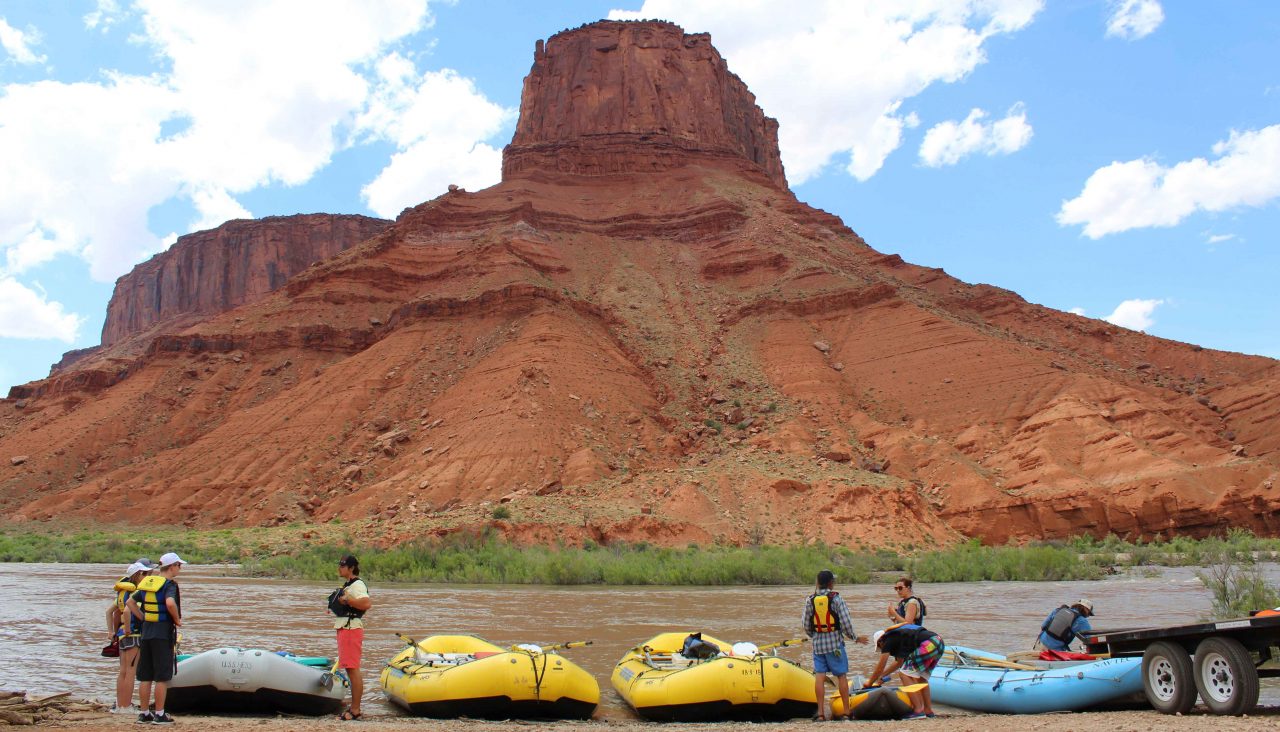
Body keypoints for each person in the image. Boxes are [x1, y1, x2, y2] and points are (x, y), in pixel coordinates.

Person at [126, 552, 185, 725]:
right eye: (179, 566)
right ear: (172, 566)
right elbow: (170, 603)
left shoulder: (147, 583)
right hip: (162, 634)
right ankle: (159, 714)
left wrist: (142, 617)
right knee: (161, 677)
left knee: (145, 676)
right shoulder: (169, 585)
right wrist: (177, 620)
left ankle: (144, 713)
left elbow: (130, 602)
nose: (180, 569)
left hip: (146, 633)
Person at [802, 569, 867, 721]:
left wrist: (815, 636)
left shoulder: (810, 600)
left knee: (820, 676)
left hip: (818, 645)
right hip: (835, 644)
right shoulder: (837, 599)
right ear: (830, 583)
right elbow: (846, 623)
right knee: (841, 676)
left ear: (818, 583)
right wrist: (854, 637)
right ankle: (846, 712)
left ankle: (820, 713)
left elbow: (805, 624)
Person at [868, 623, 945, 719]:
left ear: (880, 642)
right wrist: (882, 676)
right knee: (921, 678)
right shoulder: (897, 638)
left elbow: (880, 666)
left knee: (904, 674)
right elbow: (898, 663)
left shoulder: (888, 640)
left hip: (929, 644)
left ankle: (918, 710)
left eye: (880, 647)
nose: (881, 649)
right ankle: (928, 711)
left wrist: (869, 683)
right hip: (938, 642)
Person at [108, 559, 155, 714]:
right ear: (140, 574)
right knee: (131, 672)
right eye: (148, 573)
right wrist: (131, 627)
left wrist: (113, 632)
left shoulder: (122, 592)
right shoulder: (136, 592)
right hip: (133, 635)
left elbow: (112, 613)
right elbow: (128, 611)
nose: (150, 576)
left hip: (121, 636)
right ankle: (127, 706)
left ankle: (120, 705)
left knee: (123, 671)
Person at [330, 555, 371, 721]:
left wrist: (347, 599)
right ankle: (354, 707)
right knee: (349, 668)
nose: (340, 567)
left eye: (343, 565)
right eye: (339, 565)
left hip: (351, 629)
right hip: (345, 628)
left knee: (353, 669)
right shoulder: (348, 584)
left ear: (351, 568)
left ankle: (355, 710)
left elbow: (366, 604)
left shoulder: (358, 584)